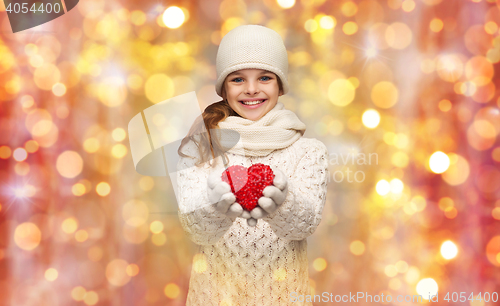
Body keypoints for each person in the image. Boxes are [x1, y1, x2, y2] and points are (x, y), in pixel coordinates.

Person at [176, 24, 329, 306]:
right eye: (237, 79)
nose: (251, 89)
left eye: (264, 78)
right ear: (223, 87)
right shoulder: (201, 147)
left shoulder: (308, 151)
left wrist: (282, 201)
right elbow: (195, 229)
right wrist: (214, 203)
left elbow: (305, 225)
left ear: (280, 85)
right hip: (215, 298)